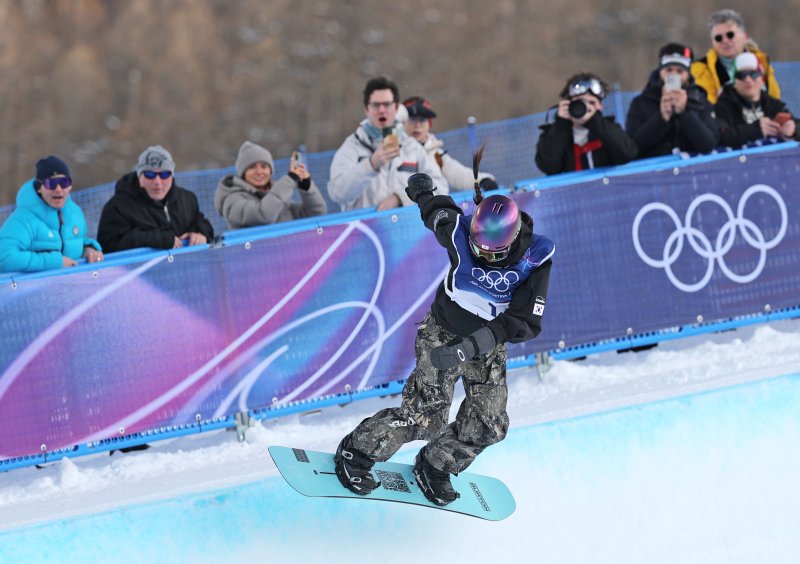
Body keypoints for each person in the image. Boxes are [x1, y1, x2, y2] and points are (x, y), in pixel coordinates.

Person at [334, 172, 554, 506]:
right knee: (425, 416)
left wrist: (473, 347)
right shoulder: (458, 231)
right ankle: (357, 452)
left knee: (489, 425)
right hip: (442, 334)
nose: (484, 258)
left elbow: (525, 321)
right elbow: (439, 212)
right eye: (479, 251)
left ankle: (435, 465)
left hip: (487, 344)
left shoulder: (534, 258)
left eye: (494, 255)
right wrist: (424, 192)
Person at [327, 76, 448, 212]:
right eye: (376, 105)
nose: (382, 110)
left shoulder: (411, 147)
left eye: (387, 104)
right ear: (367, 109)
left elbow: (441, 188)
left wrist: (401, 199)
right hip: (365, 231)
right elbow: (337, 194)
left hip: (408, 230)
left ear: (396, 108)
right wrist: (370, 165)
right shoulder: (352, 147)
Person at [97, 145, 214, 252]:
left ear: (172, 176)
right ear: (139, 177)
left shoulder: (187, 199)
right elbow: (108, 246)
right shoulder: (118, 206)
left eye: (164, 175)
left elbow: (202, 223)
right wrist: (157, 239)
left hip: (183, 270)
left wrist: (200, 233)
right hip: (138, 273)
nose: (157, 182)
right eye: (150, 175)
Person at [0, 156, 103, 273]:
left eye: (64, 182)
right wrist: (54, 263)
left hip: (73, 287)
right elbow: (4, 257)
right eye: (51, 183)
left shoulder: (75, 214)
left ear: (70, 186)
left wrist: (88, 250)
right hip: (35, 289)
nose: (58, 189)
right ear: (39, 188)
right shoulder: (22, 220)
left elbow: (77, 242)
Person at [625, 43, 719, 159]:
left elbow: (708, 144)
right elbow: (632, 147)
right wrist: (662, 118)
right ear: (660, 72)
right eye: (669, 70)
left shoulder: (700, 101)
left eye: (679, 71)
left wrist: (685, 113)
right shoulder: (640, 103)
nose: (673, 75)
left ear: (688, 75)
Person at [535, 73, 637, 175]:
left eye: (591, 103)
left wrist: (594, 121)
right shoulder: (555, 134)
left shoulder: (609, 131)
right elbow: (548, 166)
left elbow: (627, 154)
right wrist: (561, 124)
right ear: (567, 104)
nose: (585, 107)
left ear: (600, 106)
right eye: (580, 103)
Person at [215, 141, 326, 230]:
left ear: (270, 171)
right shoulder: (232, 201)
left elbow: (316, 214)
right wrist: (290, 179)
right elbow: (263, 215)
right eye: (252, 167)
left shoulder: (278, 195)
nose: (259, 172)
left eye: (264, 166)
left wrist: (305, 185)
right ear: (243, 173)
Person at [401, 96, 499, 192]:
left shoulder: (436, 154)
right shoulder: (393, 153)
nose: (417, 125)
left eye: (422, 119)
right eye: (412, 118)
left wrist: (482, 180)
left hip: (433, 207)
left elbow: (457, 173)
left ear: (429, 124)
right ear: (402, 123)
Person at [691, 9, 780, 104]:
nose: (725, 41)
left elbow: (775, 101)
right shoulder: (700, 69)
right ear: (712, 42)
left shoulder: (762, 62)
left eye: (730, 35)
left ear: (744, 36)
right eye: (718, 38)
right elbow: (707, 108)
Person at [714, 52, 798, 147]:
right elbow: (720, 136)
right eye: (741, 75)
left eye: (753, 74)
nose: (748, 80)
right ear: (734, 81)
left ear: (762, 79)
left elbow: (795, 123)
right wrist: (755, 130)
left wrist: (793, 130)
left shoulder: (772, 104)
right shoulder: (723, 105)